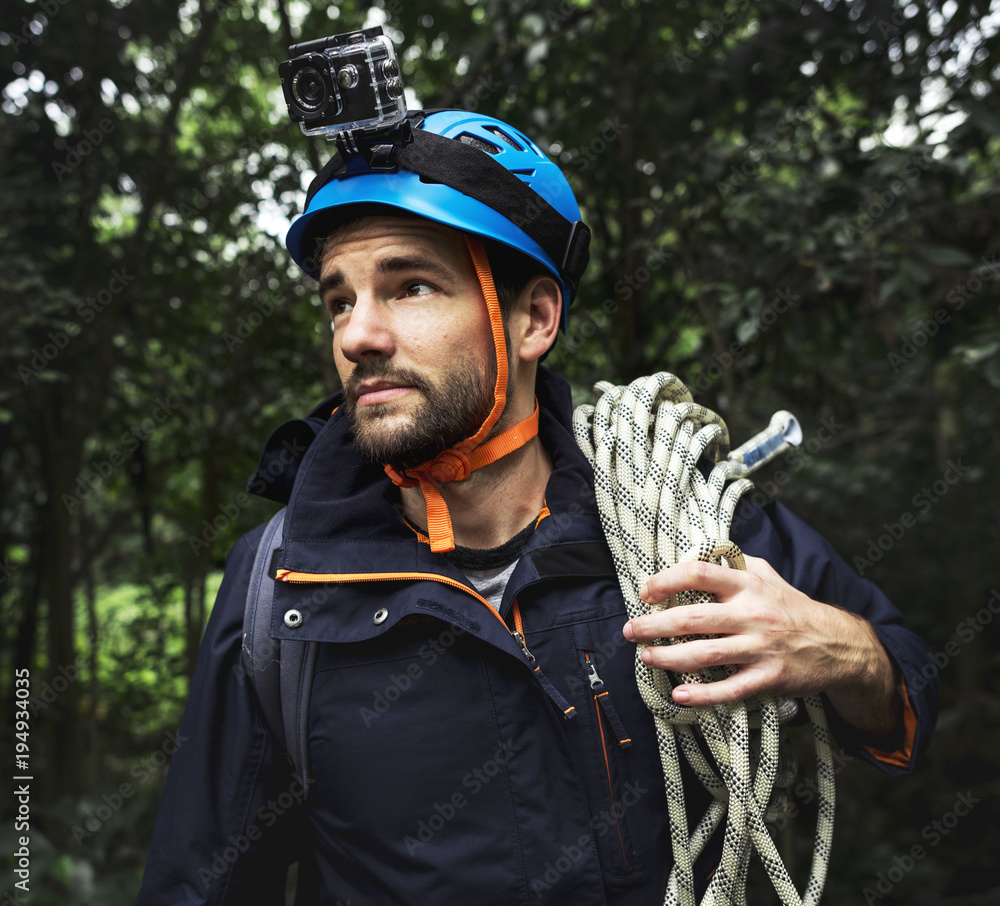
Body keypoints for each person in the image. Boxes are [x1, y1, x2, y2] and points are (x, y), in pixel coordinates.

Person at [135, 109, 937, 906]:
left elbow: (906, 694)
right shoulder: (282, 588)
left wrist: (842, 648)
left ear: (534, 319)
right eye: (339, 301)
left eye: (411, 286)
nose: (358, 335)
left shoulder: (684, 520)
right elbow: (199, 885)